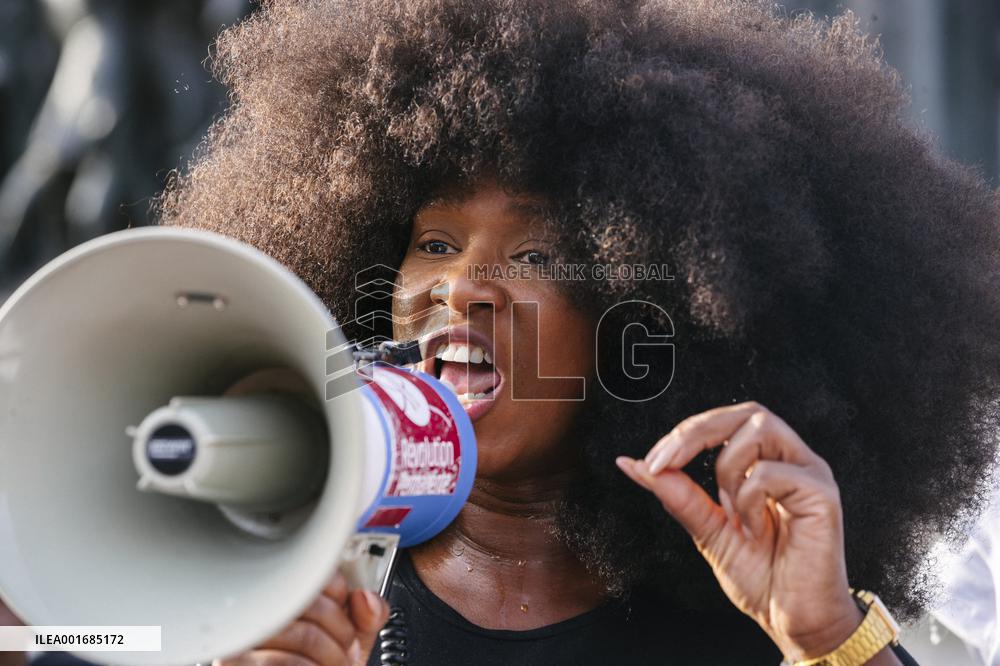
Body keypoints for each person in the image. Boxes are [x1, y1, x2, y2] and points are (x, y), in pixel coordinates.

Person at [153, 0, 1000, 664]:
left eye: (537, 255)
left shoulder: (758, 612)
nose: (464, 286)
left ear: (647, 313)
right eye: (435, 243)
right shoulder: (286, 603)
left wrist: (825, 637)